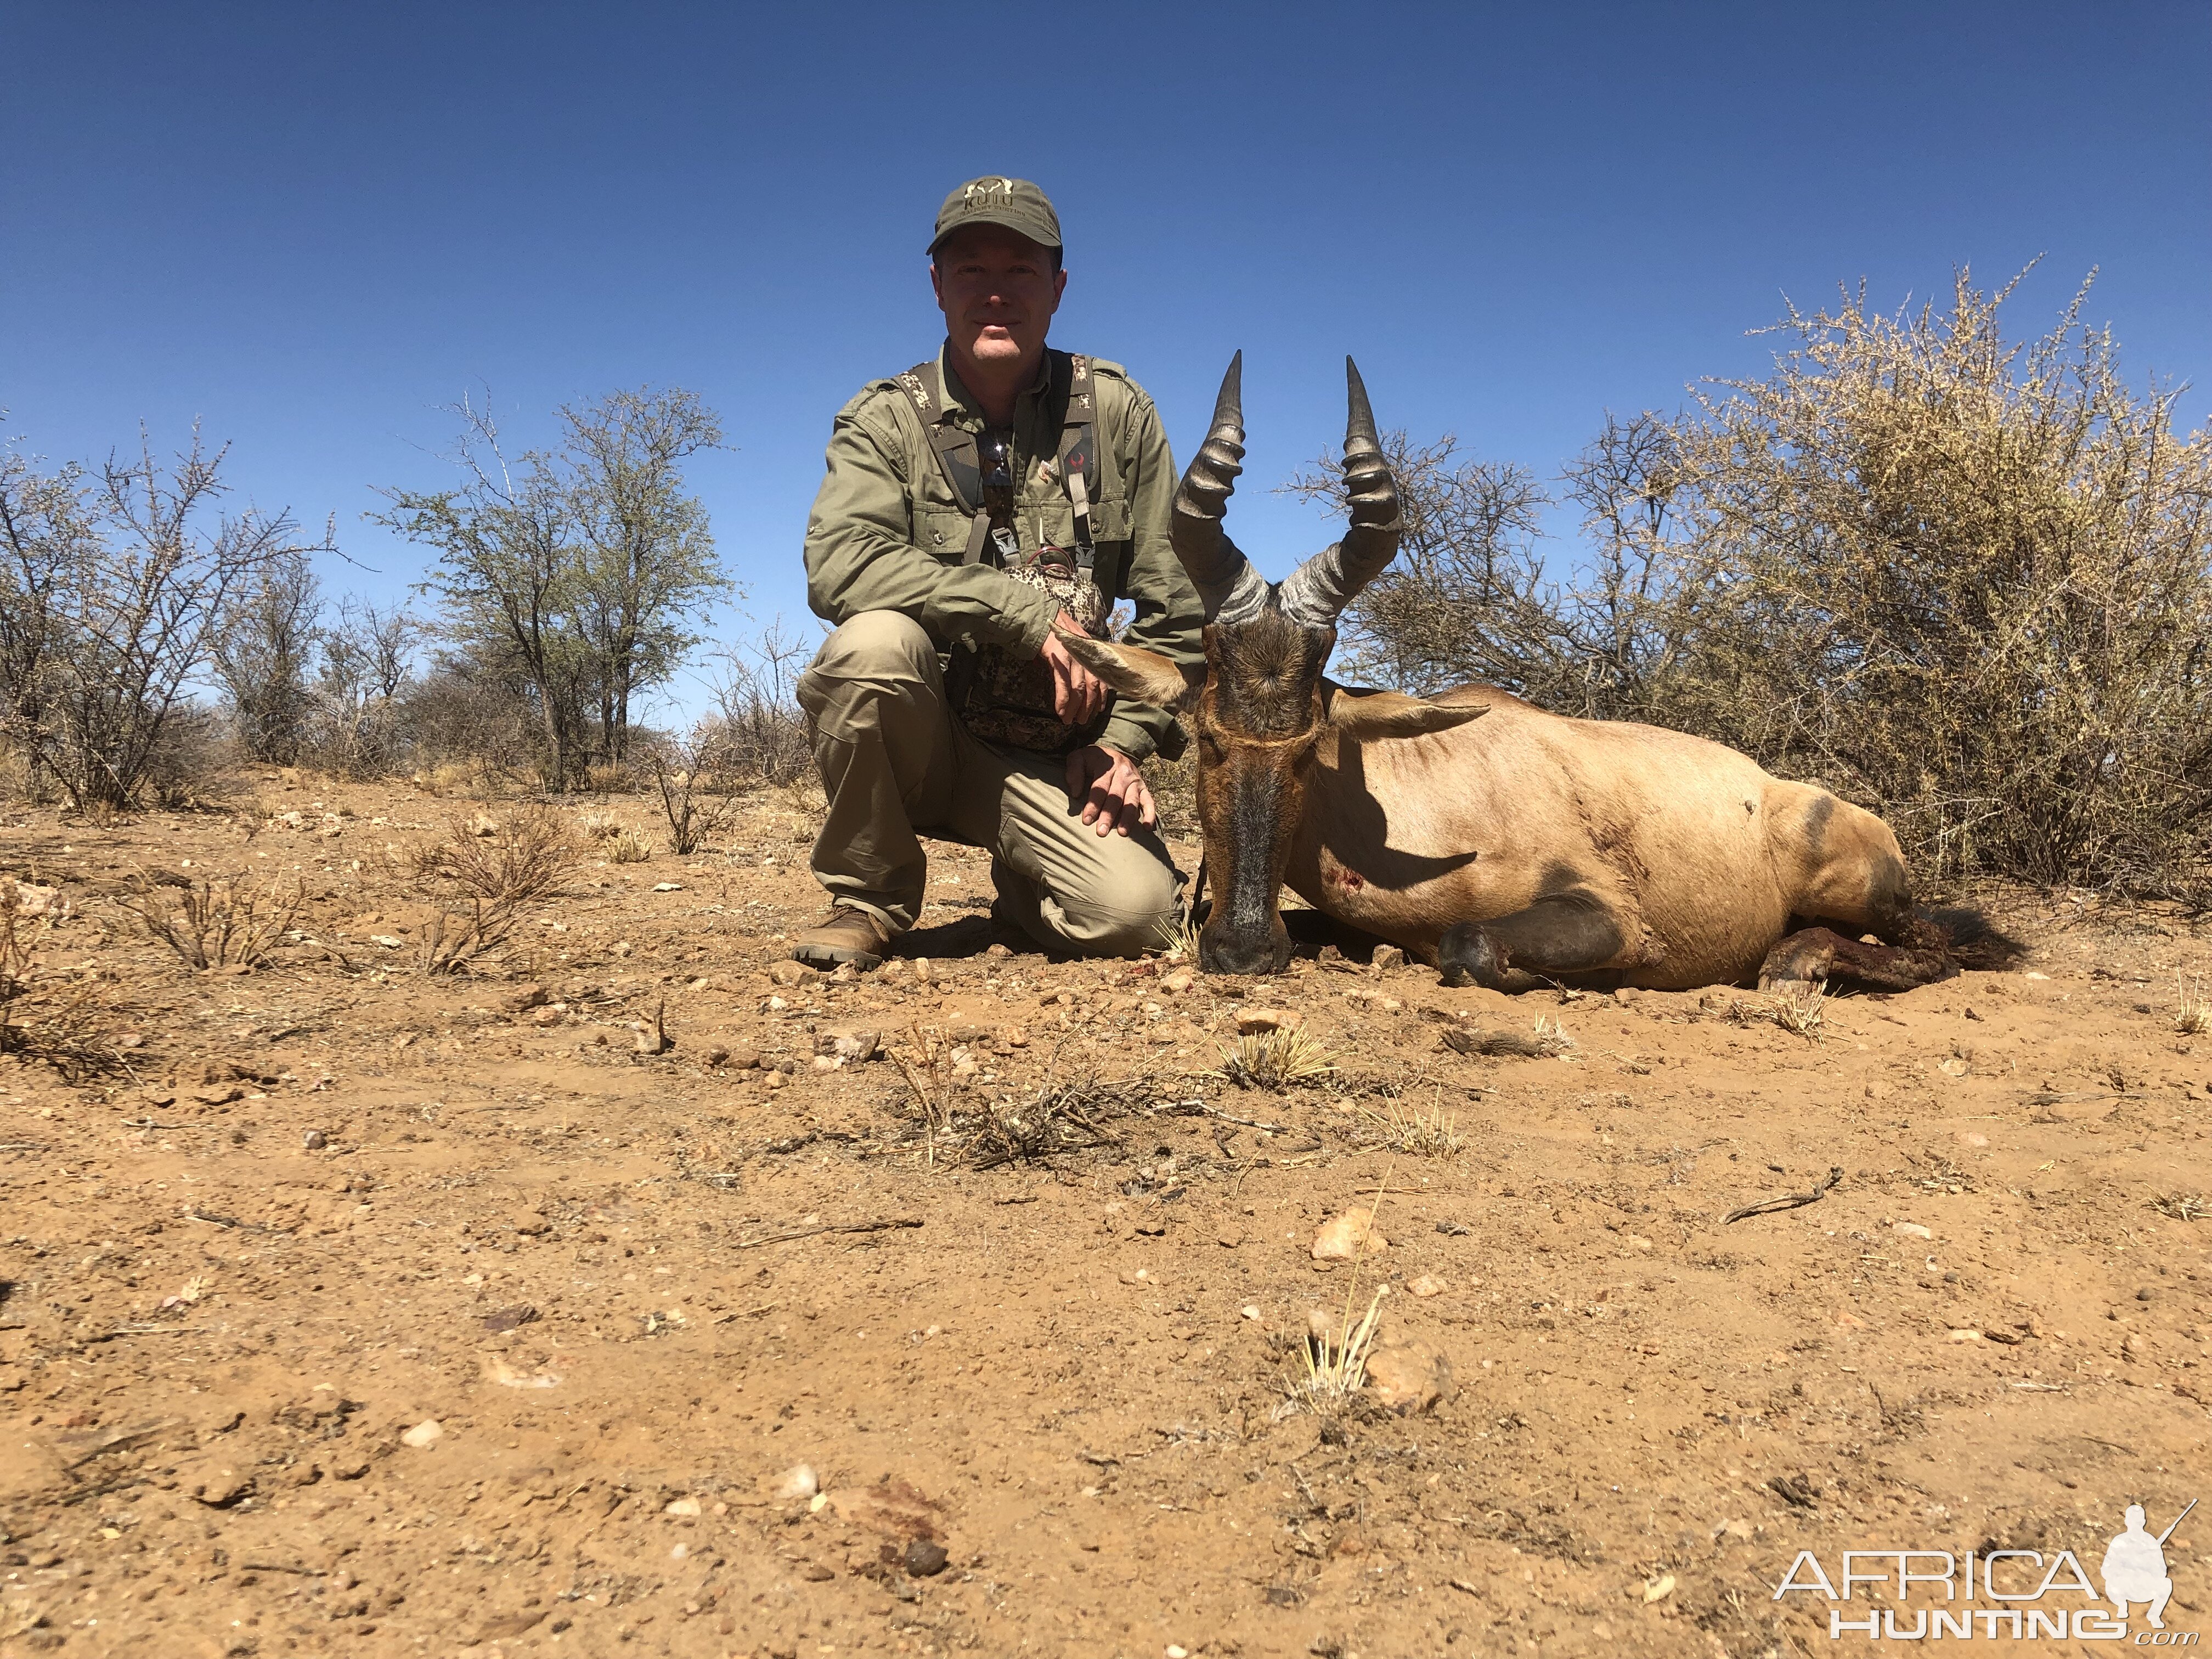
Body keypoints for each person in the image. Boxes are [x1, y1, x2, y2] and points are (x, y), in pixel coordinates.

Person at [789, 176, 1201, 970]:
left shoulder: (1119, 412)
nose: (996, 295)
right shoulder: (884, 418)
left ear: (1057, 289)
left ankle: (1027, 877)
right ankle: (869, 898)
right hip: (927, 740)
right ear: (939, 287)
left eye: (1020, 272)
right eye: (972, 272)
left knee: (1141, 921)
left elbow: (1177, 614)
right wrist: (1021, 612)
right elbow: (838, 564)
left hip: (1057, 756)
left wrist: (1120, 744)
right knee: (871, 648)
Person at [2101, 1504, 2174, 1628]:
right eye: (2133, 1521)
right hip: (2123, 1588)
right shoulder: (2119, 1541)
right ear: (2127, 1522)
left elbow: (2162, 1571)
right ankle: (2122, 1606)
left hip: (2144, 1588)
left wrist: (2144, 1570)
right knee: (2111, 1583)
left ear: (2143, 1522)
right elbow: (2106, 1570)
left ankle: (2154, 1615)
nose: (2135, 1525)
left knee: (2166, 1584)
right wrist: (2123, 1570)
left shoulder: (2151, 1542)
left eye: (2138, 1522)